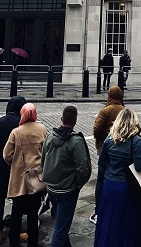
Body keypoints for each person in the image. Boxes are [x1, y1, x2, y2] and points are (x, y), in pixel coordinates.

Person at [94, 108, 141, 247]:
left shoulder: (109, 139)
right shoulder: (135, 141)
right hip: (127, 189)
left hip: (109, 187)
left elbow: (101, 165)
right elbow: (140, 166)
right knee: (127, 225)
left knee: (109, 223)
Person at [41, 106, 92, 247]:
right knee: (61, 230)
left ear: (61, 119)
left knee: (61, 222)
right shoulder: (76, 141)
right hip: (67, 190)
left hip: (51, 187)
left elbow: (43, 160)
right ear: (75, 121)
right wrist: (78, 184)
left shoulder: (50, 137)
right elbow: (83, 168)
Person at [3, 103, 46, 247]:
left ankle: (14, 242)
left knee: (17, 212)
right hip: (35, 177)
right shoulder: (41, 129)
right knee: (33, 214)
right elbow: (46, 151)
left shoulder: (16, 132)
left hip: (19, 177)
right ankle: (33, 242)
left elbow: (6, 155)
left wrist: (15, 164)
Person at [0, 95, 27, 245]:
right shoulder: (21, 124)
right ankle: (15, 231)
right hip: (15, 167)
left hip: (1, 166)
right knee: (17, 200)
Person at [90, 85, 125, 225]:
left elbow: (96, 130)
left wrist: (104, 136)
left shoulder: (105, 111)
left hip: (106, 151)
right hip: (122, 152)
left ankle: (99, 212)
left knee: (101, 180)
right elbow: (137, 128)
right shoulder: (125, 111)